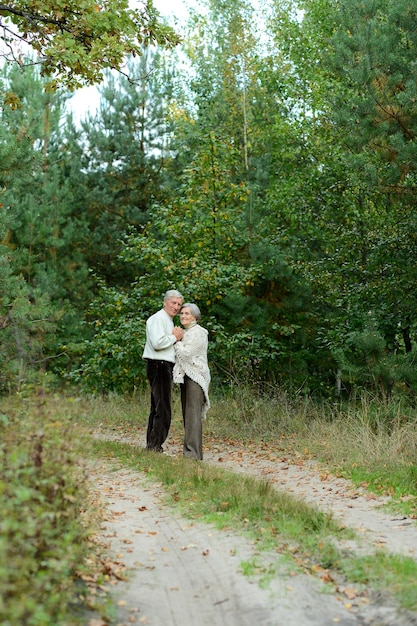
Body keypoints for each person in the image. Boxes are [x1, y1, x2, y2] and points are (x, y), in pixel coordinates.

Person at [143, 289, 184, 452]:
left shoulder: (167, 320)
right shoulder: (157, 319)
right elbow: (157, 343)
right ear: (165, 302)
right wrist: (175, 337)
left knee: (158, 406)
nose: (176, 307)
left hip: (163, 365)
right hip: (158, 364)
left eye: (179, 304)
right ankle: (155, 445)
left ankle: (152, 444)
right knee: (163, 408)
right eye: (173, 303)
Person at [173, 303, 210, 460]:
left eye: (187, 314)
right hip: (186, 377)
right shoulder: (187, 332)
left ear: (195, 316)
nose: (183, 316)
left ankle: (192, 454)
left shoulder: (200, 333)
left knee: (192, 415)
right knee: (187, 414)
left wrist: (176, 341)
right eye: (182, 313)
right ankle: (191, 452)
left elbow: (186, 354)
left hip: (196, 377)